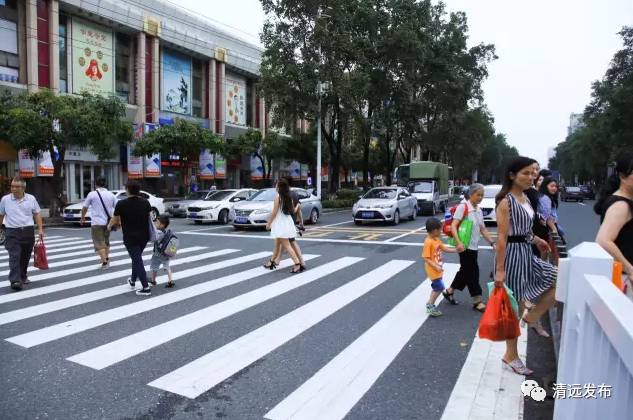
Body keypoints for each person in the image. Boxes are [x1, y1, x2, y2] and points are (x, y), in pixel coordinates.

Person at [494, 156, 558, 375]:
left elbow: (525, 230)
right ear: (512, 175)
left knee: (558, 279)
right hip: (512, 255)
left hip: (526, 251)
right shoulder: (506, 201)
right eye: (526, 173)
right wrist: (500, 270)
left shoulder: (526, 198)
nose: (532, 177)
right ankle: (511, 355)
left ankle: (532, 317)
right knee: (514, 306)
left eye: (533, 173)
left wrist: (536, 239)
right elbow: (502, 238)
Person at [442, 184, 496, 312]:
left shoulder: (478, 210)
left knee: (465, 271)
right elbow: (454, 226)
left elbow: (483, 229)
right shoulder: (463, 207)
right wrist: (459, 242)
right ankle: (477, 301)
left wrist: (492, 242)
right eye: (478, 195)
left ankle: (449, 291)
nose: (480, 197)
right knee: (473, 272)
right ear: (471, 194)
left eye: (482, 195)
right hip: (464, 246)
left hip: (473, 247)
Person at [595, 153, 633, 297]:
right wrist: (630, 269)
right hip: (625, 280)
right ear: (622, 176)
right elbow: (603, 241)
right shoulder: (621, 205)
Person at [107, 180, 152, 296]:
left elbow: (115, 219)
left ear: (127, 190)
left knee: (137, 260)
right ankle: (132, 280)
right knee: (136, 258)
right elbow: (150, 217)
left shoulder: (122, 204)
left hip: (130, 237)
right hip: (144, 236)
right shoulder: (146, 202)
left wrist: (109, 226)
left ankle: (145, 287)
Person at [0, 177, 44, 290]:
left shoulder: (31, 199)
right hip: (12, 231)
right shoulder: (5, 199)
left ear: (23, 188)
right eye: (12, 186)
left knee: (25, 256)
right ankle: (15, 280)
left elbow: (37, 214)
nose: (13, 189)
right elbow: (1, 215)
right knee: (14, 256)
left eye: (16, 187)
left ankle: (23, 276)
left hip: (28, 231)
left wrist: (40, 229)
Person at [263, 179, 302, 273]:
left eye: (276, 185)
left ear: (279, 187)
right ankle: (272, 261)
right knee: (277, 244)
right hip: (287, 222)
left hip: (280, 223)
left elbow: (274, 212)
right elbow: (293, 210)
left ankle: (297, 264)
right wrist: (298, 206)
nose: (275, 187)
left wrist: (269, 223)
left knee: (287, 245)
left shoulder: (278, 197)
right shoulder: (288, 197)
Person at [423, 217, 458, 317]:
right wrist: (435, 266)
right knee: (439, 287)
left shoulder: (436, 239)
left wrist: (457, 250)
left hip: (437, 268)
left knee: (436, 287)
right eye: (440, 230)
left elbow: (445, 248)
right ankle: (430, 305)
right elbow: (425, 258)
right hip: (433, 269)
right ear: (434, 231)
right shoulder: (428, 242)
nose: (441, 232)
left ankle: (430, 303)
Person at [81, 177, 117, 269]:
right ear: (105, 184)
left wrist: (82, 217)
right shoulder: (111, 194)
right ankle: (107, 259)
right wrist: (117, 220)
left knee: (98, 242)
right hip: (108, 222)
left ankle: (104, 263)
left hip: (97, 222)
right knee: (106, 241)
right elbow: (117, 207)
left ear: (95, 184)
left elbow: (85, 207)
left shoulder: (92, 194)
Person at [537, 177, 562, 263]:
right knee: (549, 253)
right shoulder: (545, 198)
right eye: (552, 186)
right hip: (548, 229)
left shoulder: (546, 197)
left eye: (555, 186)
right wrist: (554, 229)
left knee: (548, 253)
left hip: (547, 228)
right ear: (545, 186)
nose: (554, 188)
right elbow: (546, 217)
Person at [150, 214, 176, 288]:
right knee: (167, 267)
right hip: (165, 254)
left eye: (157, 223)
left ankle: (153, 280)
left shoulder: (159, 233)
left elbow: (153, 239)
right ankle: (170, 280)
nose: (155, 224)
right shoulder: (166, 232)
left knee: (154, 267)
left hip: (157, 254)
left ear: (162, 225)